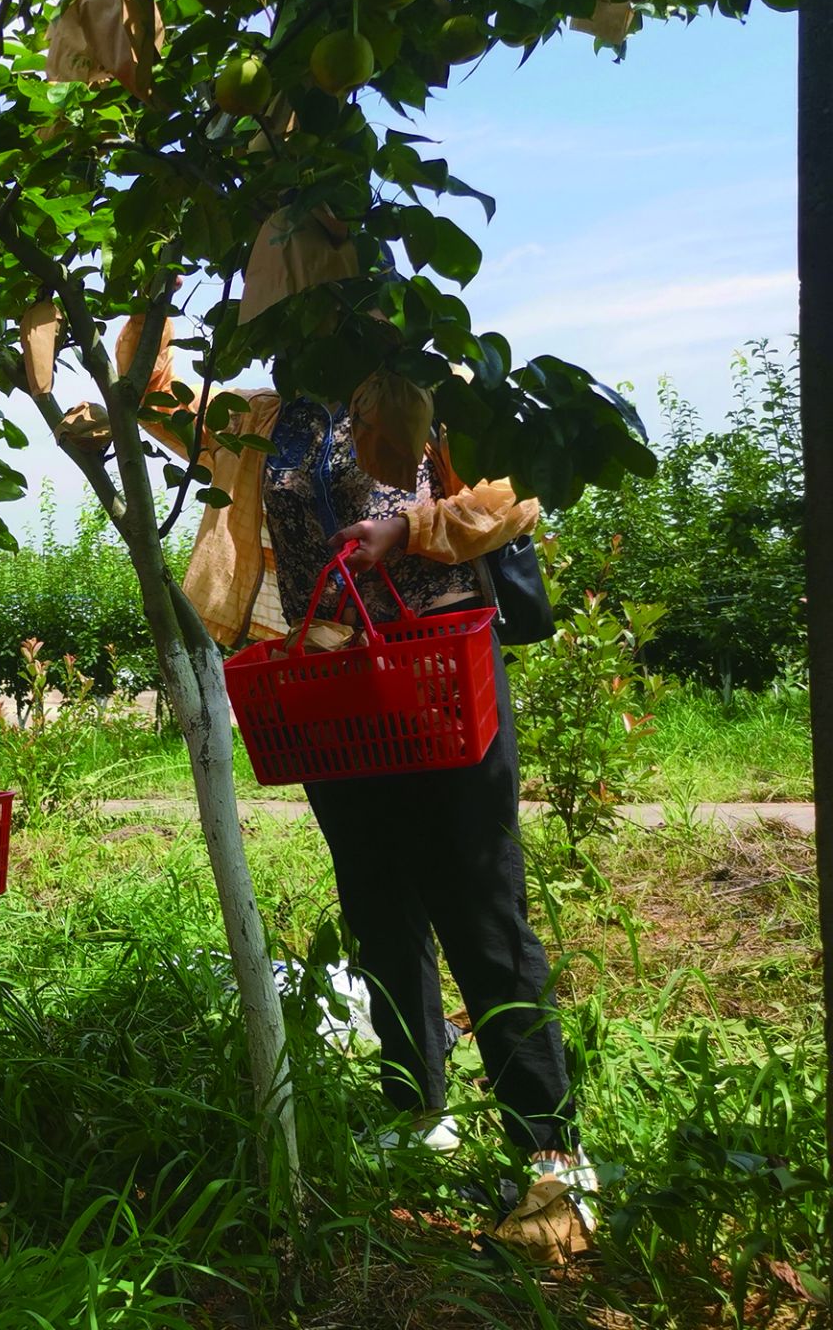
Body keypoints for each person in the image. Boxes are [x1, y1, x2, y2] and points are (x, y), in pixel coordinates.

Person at [179, 385, 596, 1207]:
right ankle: (416, 1107)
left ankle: (554, 1160)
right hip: (333, 679)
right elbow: (167, 408)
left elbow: (512, 495)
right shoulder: (268, 414)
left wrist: (410, 527)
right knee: (376, 902)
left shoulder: (430, 390)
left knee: (481, 906)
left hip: (436, 670)